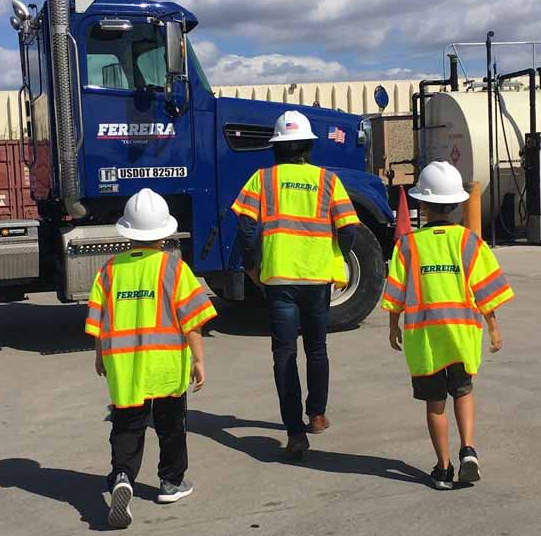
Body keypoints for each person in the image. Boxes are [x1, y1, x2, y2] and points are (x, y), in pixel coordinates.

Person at [232, 110, 360, 459]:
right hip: (317, 278)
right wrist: (333, 254)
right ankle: (316, 416)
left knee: (284, 354)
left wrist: (252, 266)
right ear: (307, 146)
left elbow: (244, 228)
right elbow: (349, 229)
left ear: (277, 147)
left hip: (279, 278)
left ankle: (295, 434)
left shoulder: (262, 180)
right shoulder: (327, 180)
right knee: (317, 348)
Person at [85, 189, 217, 528]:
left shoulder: (110, 271)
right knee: (171, 424)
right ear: (165, 232)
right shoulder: (174, 268)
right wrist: (199, 360)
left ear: (127, 231)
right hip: (166, 364)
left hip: (124, 366)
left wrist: (100, 356)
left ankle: (122, 477)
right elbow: (192, 322)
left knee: (127, 424)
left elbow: (99, 321)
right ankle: (172, 482)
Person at [382, 161, 514, 490]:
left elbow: (396, 292)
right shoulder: (470, 242)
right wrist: (493, 326)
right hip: (462, 335)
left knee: (435, 404)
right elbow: (486, 288)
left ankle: (443, 469)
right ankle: (468, 449)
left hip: (425, 341)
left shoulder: (408, 245)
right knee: (464, 391)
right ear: (456, 203)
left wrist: (392, 325)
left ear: (422, 204)